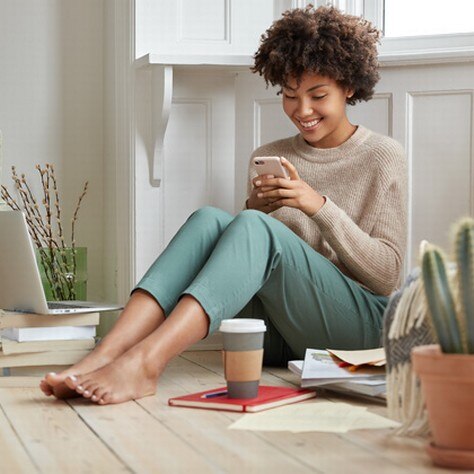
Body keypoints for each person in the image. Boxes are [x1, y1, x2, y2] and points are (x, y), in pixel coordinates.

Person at [40, 5, 407, 405]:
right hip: (280, 336)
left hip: (358, 331)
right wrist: (256, 207)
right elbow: (250, 261)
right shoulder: (271, 154)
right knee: (209, 220)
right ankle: (104, 354)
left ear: (349, 87)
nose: (302, 111)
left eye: (318, 95)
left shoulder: (382, 156)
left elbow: (386, 276)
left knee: (251, 225)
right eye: (289, 95)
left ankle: (147, 361)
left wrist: (318, 206)